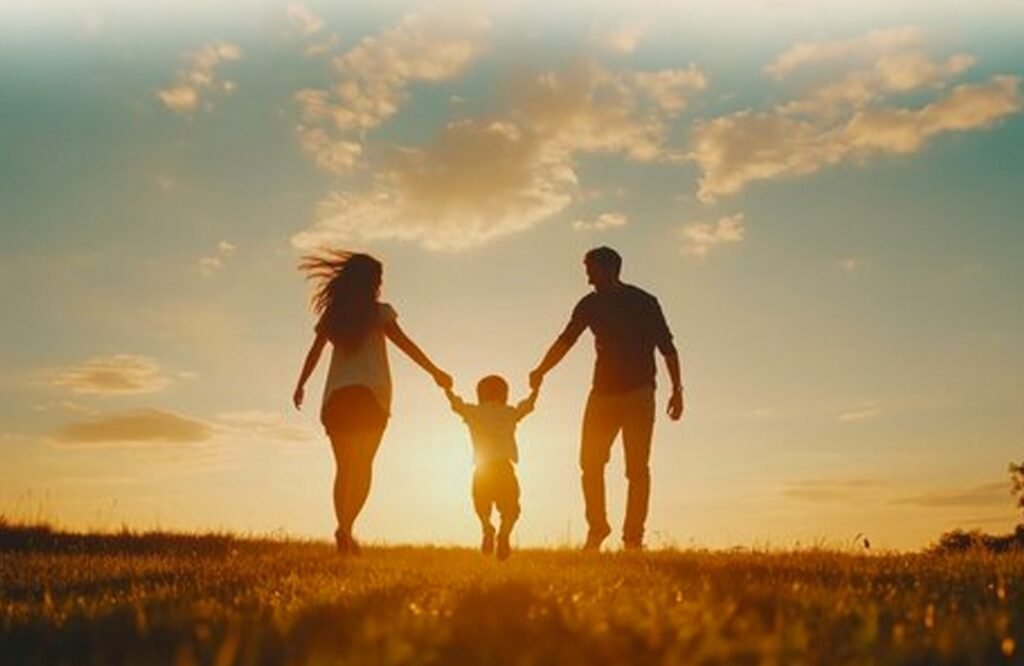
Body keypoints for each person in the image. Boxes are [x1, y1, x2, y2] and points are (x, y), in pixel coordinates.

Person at [293, 251, 452, 554]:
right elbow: (406, 345)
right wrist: (435, 372)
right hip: (370, 398)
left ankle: (344, 529)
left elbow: (314, 352)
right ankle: (346, 529)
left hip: (337, 398)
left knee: (344, 468)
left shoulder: (334, 317)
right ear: (371, 282)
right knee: (363, 467)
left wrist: (301, 384)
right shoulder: (380, 313)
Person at [529, 246, 683, 552]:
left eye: (591, 269)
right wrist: (541, 369)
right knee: (590, 463)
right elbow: (566, 339)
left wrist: (677, 390)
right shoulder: (589, 304)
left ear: (608, 269)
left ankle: (633, 538)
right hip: (602, 394)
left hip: (639, 392)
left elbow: (667, 347)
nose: (587, 276)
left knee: (637, 469)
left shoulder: (644, 302)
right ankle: (597, 528)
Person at [444, 375, 539, 561]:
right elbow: (527, 407)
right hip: (504, 468)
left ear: (480, 394)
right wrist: (536, 390)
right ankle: (503, 534)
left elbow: (457, 405)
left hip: (482, 469)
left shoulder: (474, 412)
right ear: (505, 394)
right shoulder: (509, 412)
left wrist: (447, 390)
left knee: (481, 503)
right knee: (511, 509)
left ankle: (487, 526)